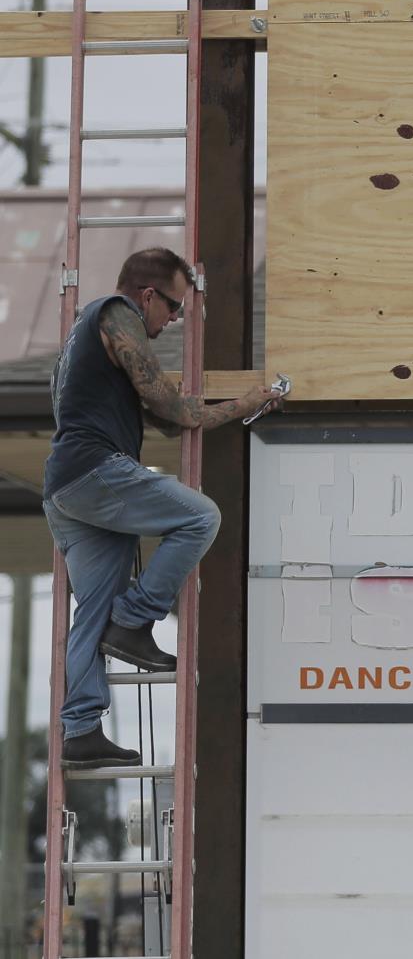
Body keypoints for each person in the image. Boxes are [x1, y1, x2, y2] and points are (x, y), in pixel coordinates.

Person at [42, 247, 281, 769]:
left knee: (92, 615)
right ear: (147, 295)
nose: (173, 320)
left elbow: (171, 420)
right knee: (200, 516)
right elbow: (172, 407)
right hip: (94, 470)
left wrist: (228, 406)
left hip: (67, 488)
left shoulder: (83, 339)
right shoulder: (115, 314)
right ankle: (134, 620)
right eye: (172, 307)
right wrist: (246, 404)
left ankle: (80, 730)